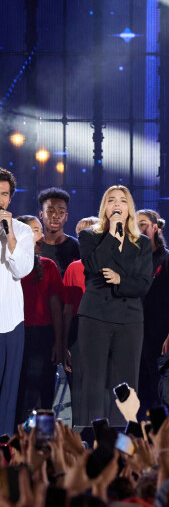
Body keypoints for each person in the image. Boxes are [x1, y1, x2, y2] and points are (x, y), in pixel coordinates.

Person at [77, 186, 153, 424]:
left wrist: (120, 280)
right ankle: (94, 437)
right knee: (93, 380)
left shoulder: (142, 243)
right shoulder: (89, 236)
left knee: (126, 382)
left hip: (129, 319)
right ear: (105, 207)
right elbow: (91, 265)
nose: (117, 205)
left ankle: (121, 441)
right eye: (112, 201)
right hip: (95, 316)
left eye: (122, 201)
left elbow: (143, 284)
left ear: (129, 208)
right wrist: (111, 236)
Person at [15, 216, 64, 425]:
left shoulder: (48, 266)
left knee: (43, 392)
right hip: (15, 334)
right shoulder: (8, 265)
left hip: (42, 335)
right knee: (19, 392)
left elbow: (56, 306)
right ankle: (14, 443)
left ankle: (44, 446)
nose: (42, 236)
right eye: (36, 230)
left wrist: (59, 341)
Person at [136, 209, 169, 417]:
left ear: (156, 227)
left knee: (159, 388)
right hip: (134, 332)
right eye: (135, 224)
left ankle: (163, 439)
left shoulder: (168, 260)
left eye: (143, 223)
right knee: (137, 389)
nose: (139, 228)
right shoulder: (130, 260)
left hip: (159, 333)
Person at [0, 168, 34, 434]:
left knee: (8, 393)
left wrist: (9, 234)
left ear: (10, 199)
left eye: (4, 194)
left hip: (11, 321)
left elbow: (21, 269)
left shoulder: (21, 231)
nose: (0, 199)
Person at [62, 216, 99, 426]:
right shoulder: (73, 268)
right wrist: (64, 343)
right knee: (77, 386)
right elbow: (67, 308)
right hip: (78, 329)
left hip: (102, 325)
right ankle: (80, 435)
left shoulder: (112, 264)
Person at [38, 187, 80, 276]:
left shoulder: (76, 246)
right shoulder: (34, 246)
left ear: (66, 217)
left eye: (61, 212)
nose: (55, 216)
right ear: (41, 214)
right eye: (50, 211)